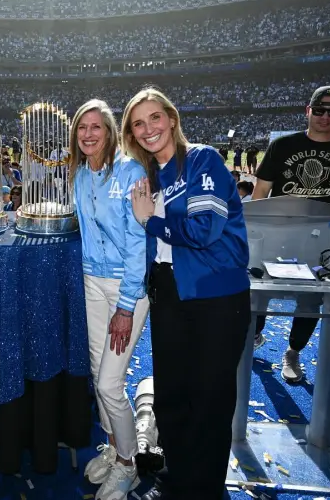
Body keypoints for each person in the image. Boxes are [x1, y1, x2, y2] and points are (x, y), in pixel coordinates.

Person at [125, 88, 250, 500]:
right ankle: (174, 479)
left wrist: (150, 222)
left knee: (209, 398)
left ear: (173, 119)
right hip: (169, 294)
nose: (148, 129)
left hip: (216, 298)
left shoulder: (203, 159)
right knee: (174, 393)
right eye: (138, 123)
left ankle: (205, 488)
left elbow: (204, 231)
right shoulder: (149, 175)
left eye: (155, 118)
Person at [70, 99, 149, 500]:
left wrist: (126, 305)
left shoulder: (132, 171)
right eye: (82, 128)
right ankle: (116, 446)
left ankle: (128, 465)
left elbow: (139, 245)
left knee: (109, 383)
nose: (88, 134)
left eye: (95, 127)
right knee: (98, 373)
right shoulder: (80, 174)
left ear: (110, 130)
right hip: (91, 283)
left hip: (125, 289)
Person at [251, 85, 330, 382]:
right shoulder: (282, 146)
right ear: (308, 110)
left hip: (323, 240)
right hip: (278, 233)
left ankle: (293, 352)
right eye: (319, 110)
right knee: (261, 293)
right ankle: (254, 335)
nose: (324, 117)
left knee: (310, 301)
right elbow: (260, 194)